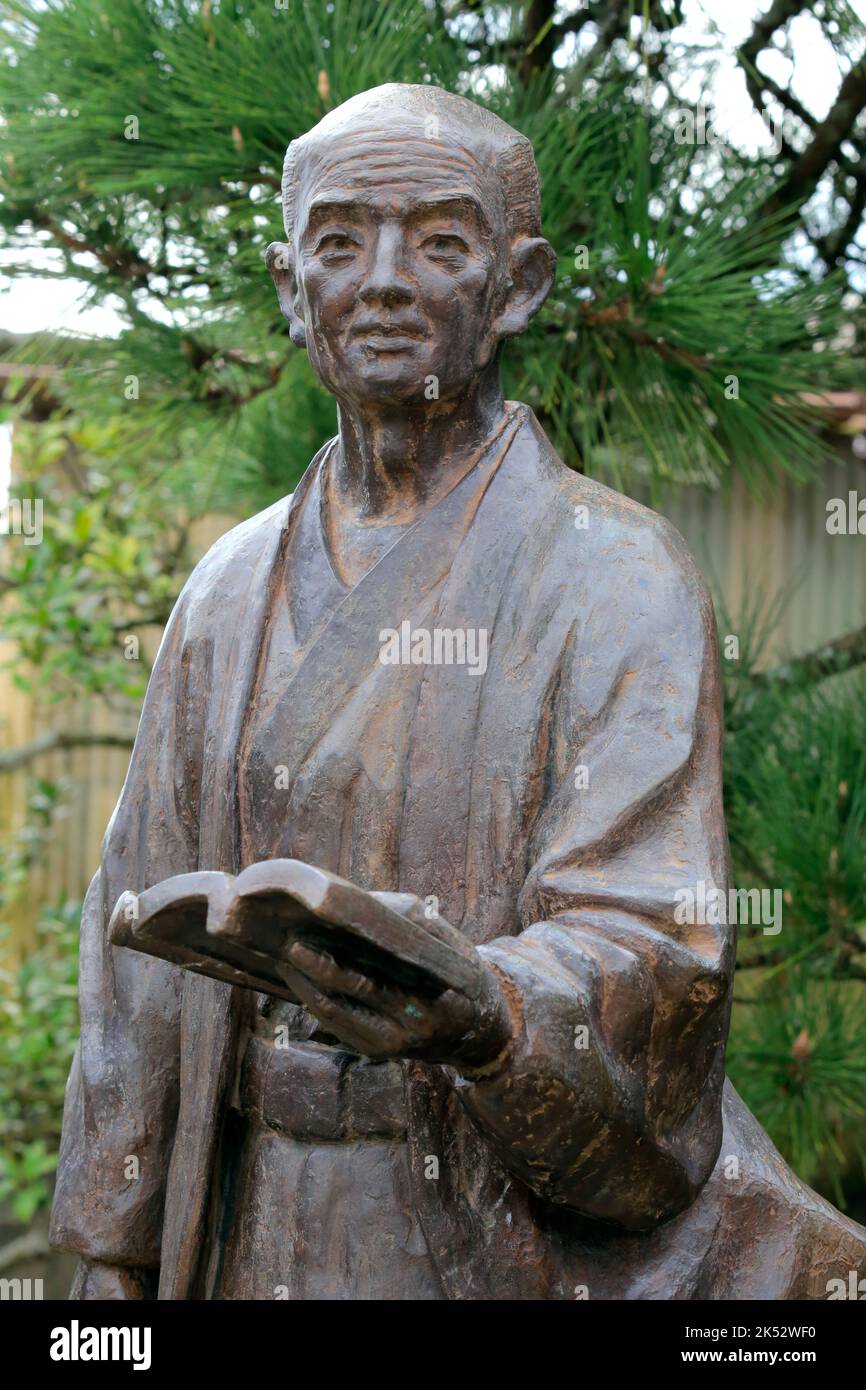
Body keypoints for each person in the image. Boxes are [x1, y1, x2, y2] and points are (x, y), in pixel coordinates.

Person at [51, 84, 866, 1300]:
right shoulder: (225, 590)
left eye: (439, 240)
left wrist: (480, 1004)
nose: (383, 279)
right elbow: (130, 959)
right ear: (290, 288)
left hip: (478, 1229)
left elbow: (655, 944)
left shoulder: (612, 571)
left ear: (518, 284)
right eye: (339, 241)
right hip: (249, 1214)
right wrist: (110, 1252)